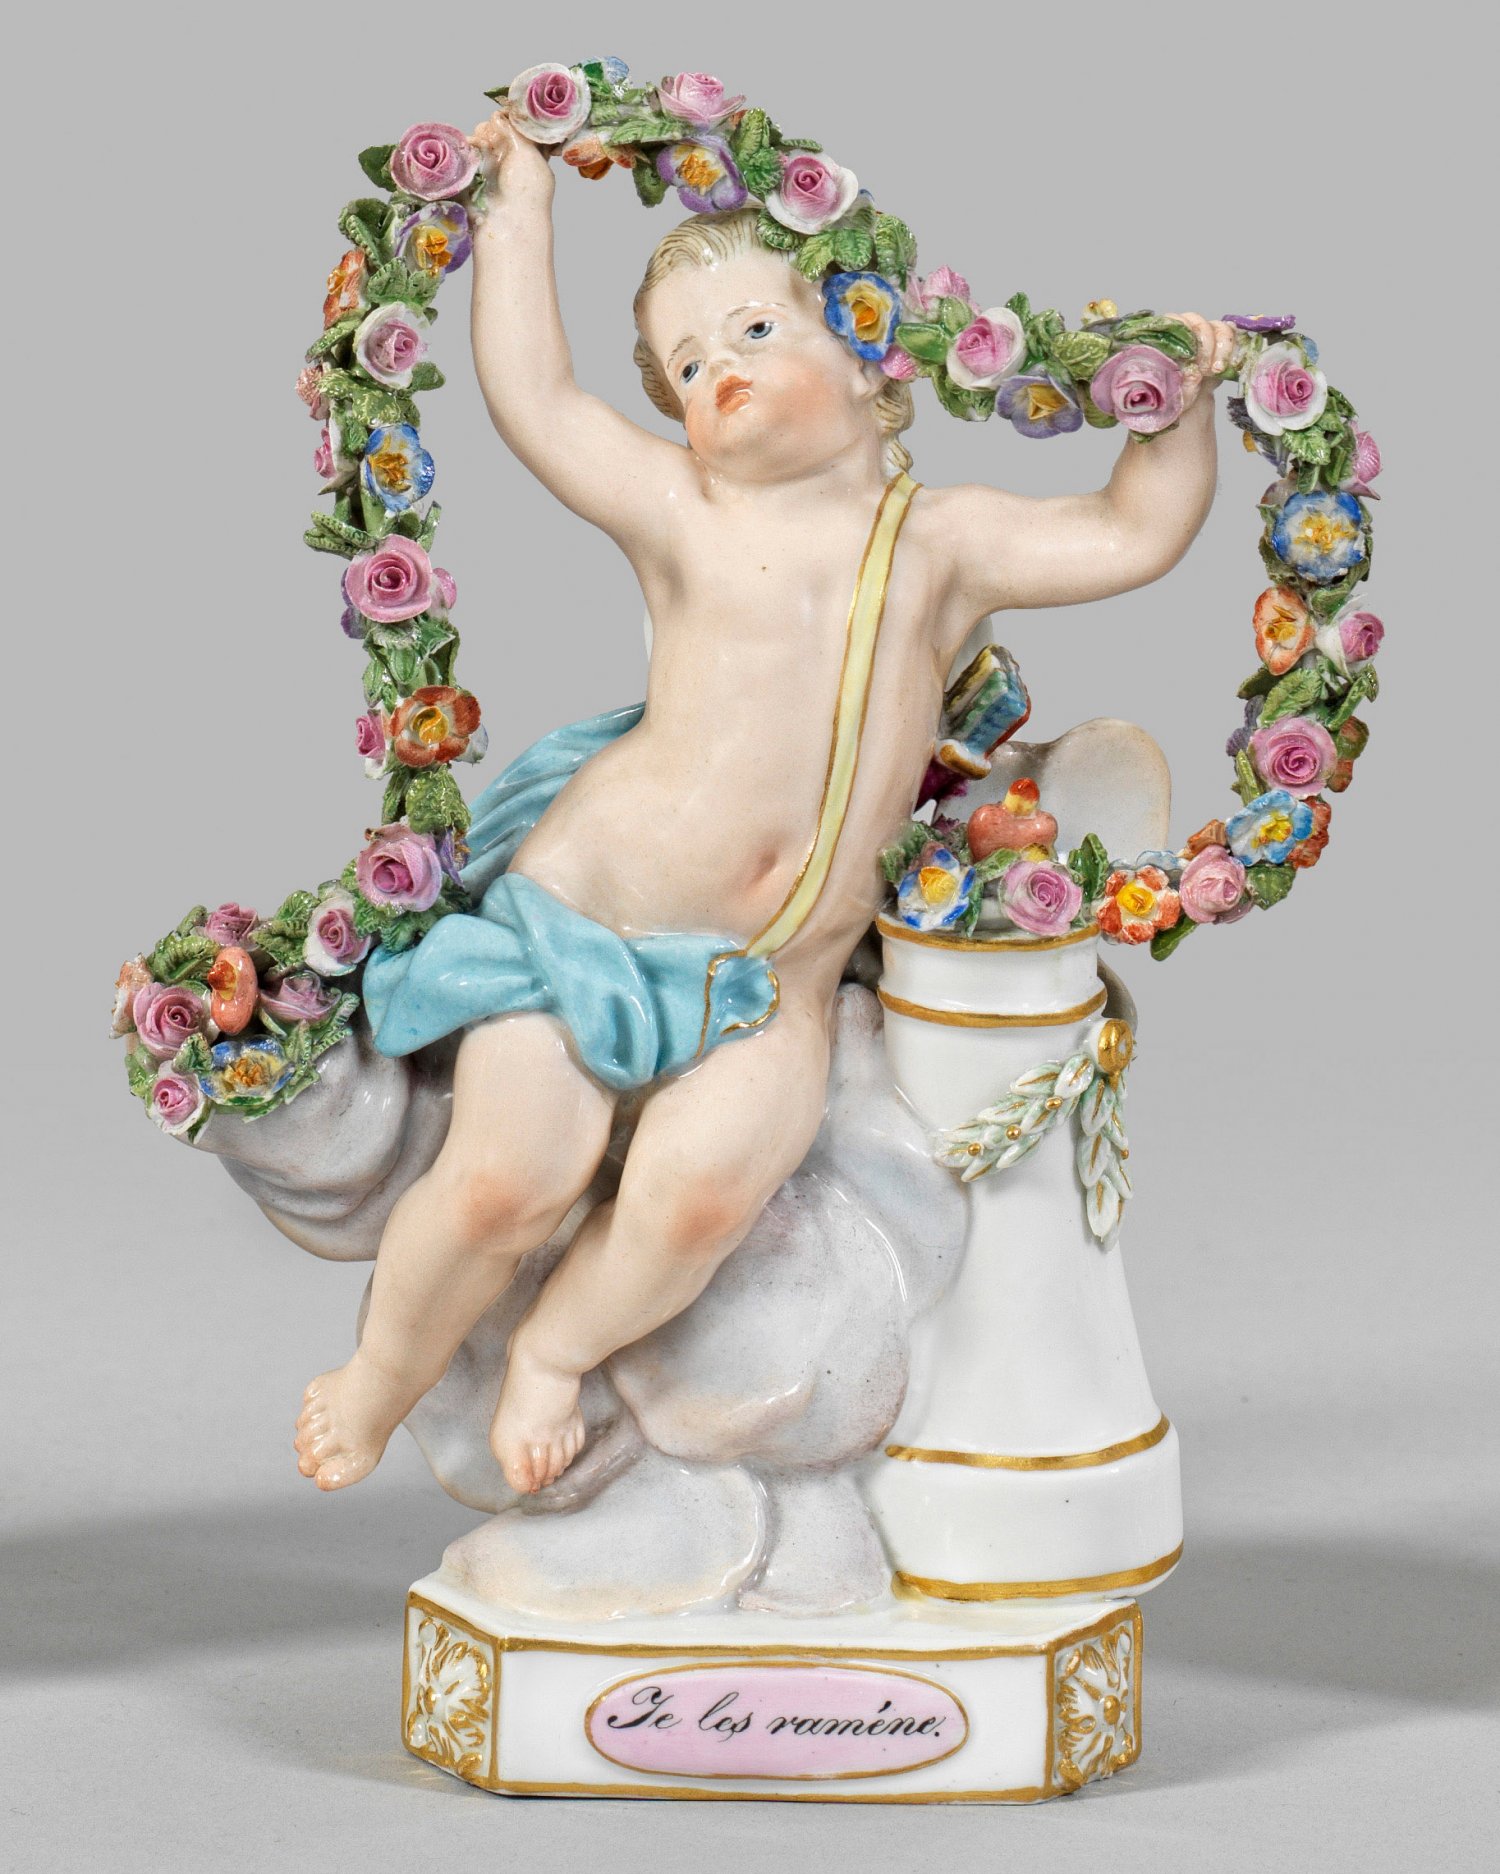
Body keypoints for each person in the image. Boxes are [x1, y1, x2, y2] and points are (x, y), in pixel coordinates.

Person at [294, 109, 1237, 1497]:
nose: (717, 372)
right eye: (686, 364)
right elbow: (539, 398)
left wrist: (1177, 408)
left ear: (868, 353)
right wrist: (520, 210)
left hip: (771, 981)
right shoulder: (686, 510)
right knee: (505, 1180)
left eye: (750, 331)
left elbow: (1132, 530)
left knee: (699, 1199)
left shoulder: (941, 544)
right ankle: (379, 1375)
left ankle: (558, 1348)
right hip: (581, 925)